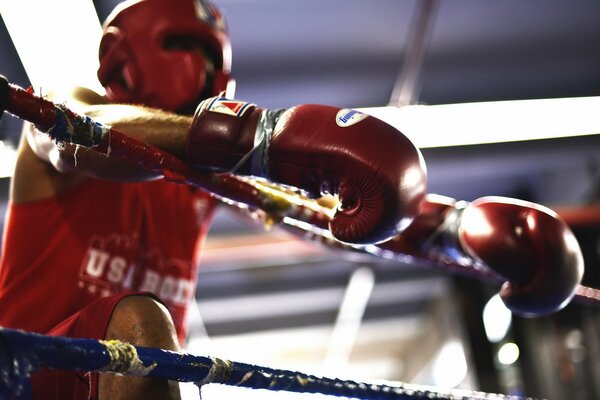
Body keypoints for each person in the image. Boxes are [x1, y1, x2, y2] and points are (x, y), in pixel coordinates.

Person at [0, 0, 425, 398]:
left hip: (112, 383)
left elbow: (319, 212)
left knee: (151, 345)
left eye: (213, 58)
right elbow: (71, 131)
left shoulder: (201, 177)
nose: (206, 71)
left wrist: (456, 233)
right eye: (186, 47)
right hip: (22, 374)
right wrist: (252, 136)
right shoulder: (70, 107)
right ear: (125, 57)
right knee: (141, 325)